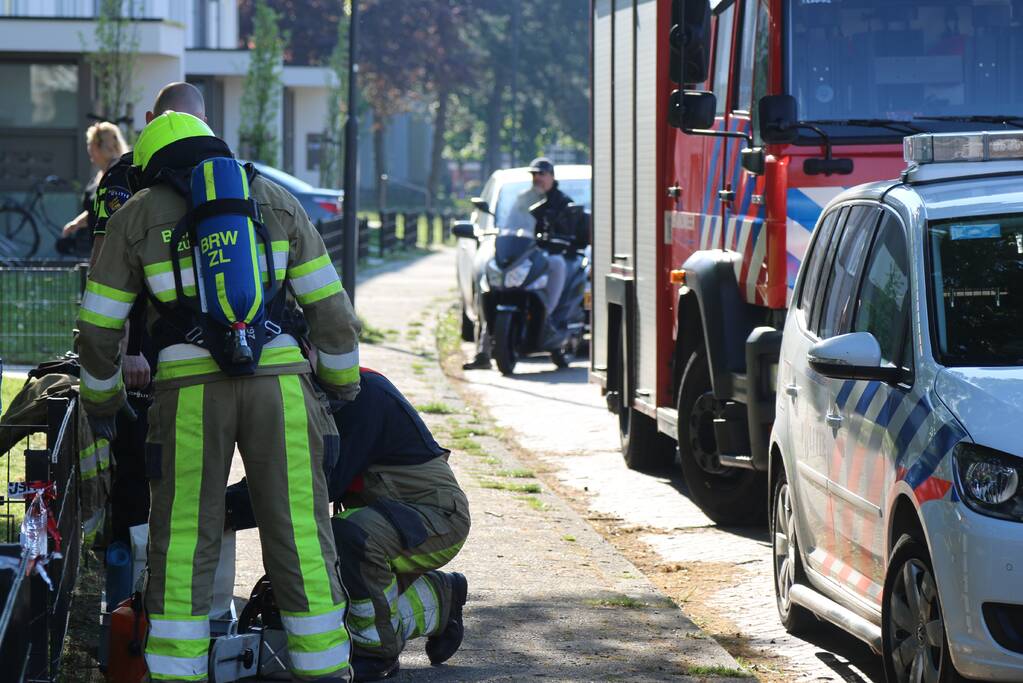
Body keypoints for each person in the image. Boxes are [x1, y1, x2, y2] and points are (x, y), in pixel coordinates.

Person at [76, 111, 362, 682]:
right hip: (279, 387)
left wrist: (105, 401)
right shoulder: (273, 198)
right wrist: (338, 384)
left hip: (186, 394)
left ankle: (177, 674)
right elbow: (331, 312)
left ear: (152, 162)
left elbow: (99, 328)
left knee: (184, 539)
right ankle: (325, 670)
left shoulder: (137, 214)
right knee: (299, 533)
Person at [225, 366, 471, 682]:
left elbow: (316, 485)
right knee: (328, 561)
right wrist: (226, 504)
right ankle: (440, 597)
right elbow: (284, 476)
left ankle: (376, 654)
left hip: (436, 519)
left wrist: (225, 508)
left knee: (345, 539)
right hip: (391, 522)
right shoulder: (319, 394)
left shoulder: (362, 395)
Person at [92, 82, 212, 548]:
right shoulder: (221, 171)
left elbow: (106, 275)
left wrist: (124, 352)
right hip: (212, 348)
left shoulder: (126, 174)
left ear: (148, 122)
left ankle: (132, 580)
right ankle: (180, 565)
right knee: (194, 467)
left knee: (139, 466)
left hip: (151, 353)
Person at [463, 157, 573, 369]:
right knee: (493, 289)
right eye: (534, 174)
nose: (538, 178)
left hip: (548, 253)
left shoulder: (561, 201)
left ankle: (548, 314)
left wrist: (557, 238)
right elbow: (510, 224)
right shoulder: (523, 199)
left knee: (558, 264)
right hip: (524, 253)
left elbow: (567, 230)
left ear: (551, 176)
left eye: (542, 174)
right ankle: (483, 353)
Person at [56, 122, 128, 256]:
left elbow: (114, 210)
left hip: (113, 251)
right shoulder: (102, 175)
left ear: (99, 146)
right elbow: (96, 209)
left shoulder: (118, 175)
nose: (89, 150)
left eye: (91, 145)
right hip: (99, 248)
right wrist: (76, 224)